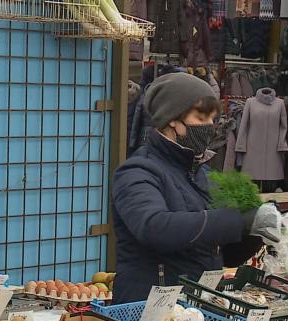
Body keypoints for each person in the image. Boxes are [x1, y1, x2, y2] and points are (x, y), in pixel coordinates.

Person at [111, 73, 267, 304]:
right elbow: (154, 227)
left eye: (212, 118)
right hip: (148, 308)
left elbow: (224, 254)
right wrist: (240, 220)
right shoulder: (137, 171)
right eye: (201, 117)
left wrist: (256, 231)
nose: (210, 126)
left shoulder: (204, 175)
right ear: (172, 119)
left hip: (196, 306)